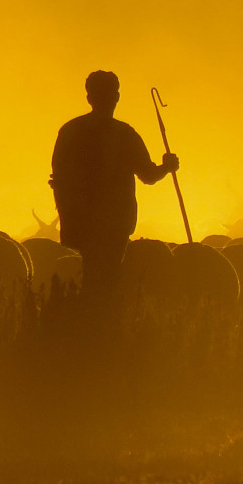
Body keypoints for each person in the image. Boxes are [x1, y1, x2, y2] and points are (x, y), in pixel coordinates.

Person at [49, 71, 179, 317]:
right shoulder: (124, 134)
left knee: (74, 282)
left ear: (89, 97)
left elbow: (58, 178)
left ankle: (72, 334)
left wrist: (68, 208)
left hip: (77, 224)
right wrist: (167, 167)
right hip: (114, 226)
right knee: (106, 285)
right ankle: (102, 334)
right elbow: (149, 176)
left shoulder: (70, 131)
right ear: (117, 97)